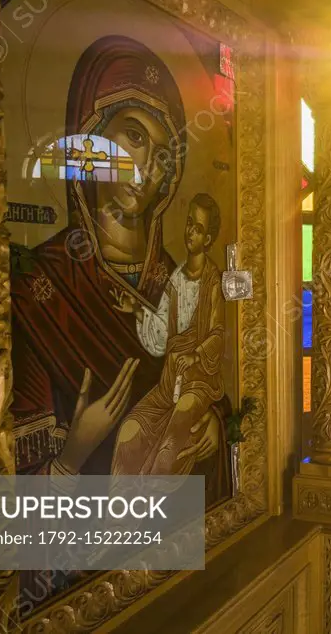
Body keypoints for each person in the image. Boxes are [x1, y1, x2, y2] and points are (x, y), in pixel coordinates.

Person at [111, 193, 226, 475]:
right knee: (128, 431)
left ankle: (148, 513)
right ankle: (116, 516)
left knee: (168, 448)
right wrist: (137, 311)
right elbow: (162, 332)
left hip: (197, 383)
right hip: (169, 383)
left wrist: (195, 355)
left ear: (208, 239)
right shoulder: (176, 278)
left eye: (198, 228)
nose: (190, 232)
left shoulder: (213, 281)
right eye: (189, 224)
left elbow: (218, 333)